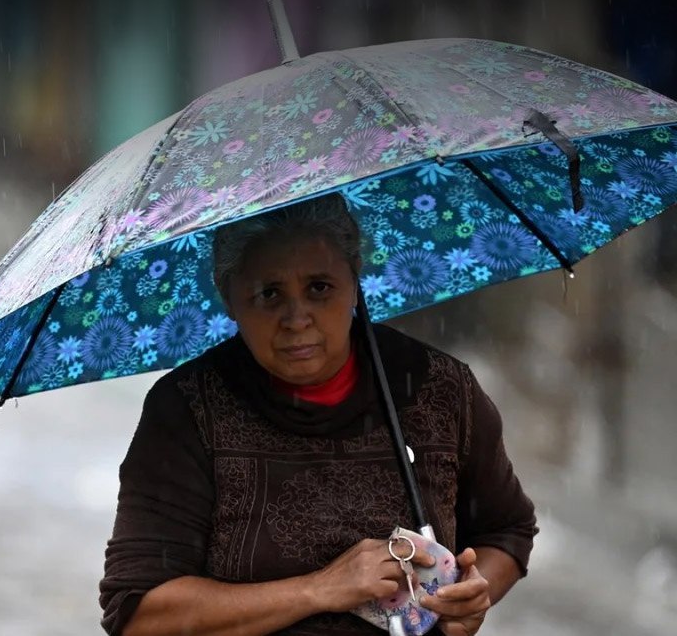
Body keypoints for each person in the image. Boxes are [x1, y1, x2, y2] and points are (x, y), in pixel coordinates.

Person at [98, 192, 538, 636]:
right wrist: (320, 589)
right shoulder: (188, 407)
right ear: (230, 300)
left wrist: (469, 593)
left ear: (354, 281)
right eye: (268, 293)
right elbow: (140, 616)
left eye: (319, 288)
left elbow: (507, 530)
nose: (296, 318)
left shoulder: (438, 387)